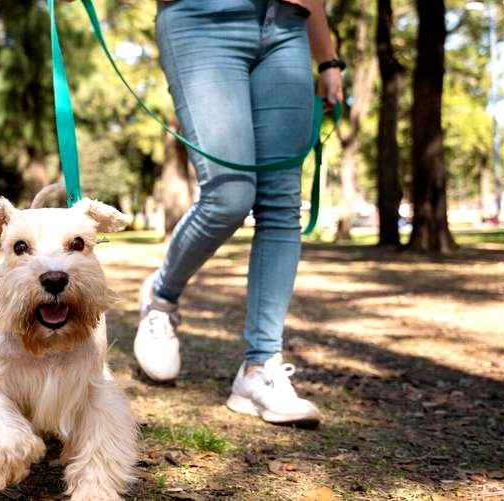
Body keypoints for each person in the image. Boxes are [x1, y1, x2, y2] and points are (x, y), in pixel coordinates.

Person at [132, 0, 343, 428]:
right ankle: (160, 297)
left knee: (282, 205)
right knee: (229, 195)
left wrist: (328, 59)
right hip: (200, 18)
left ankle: (260, 368)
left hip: (287, 25)